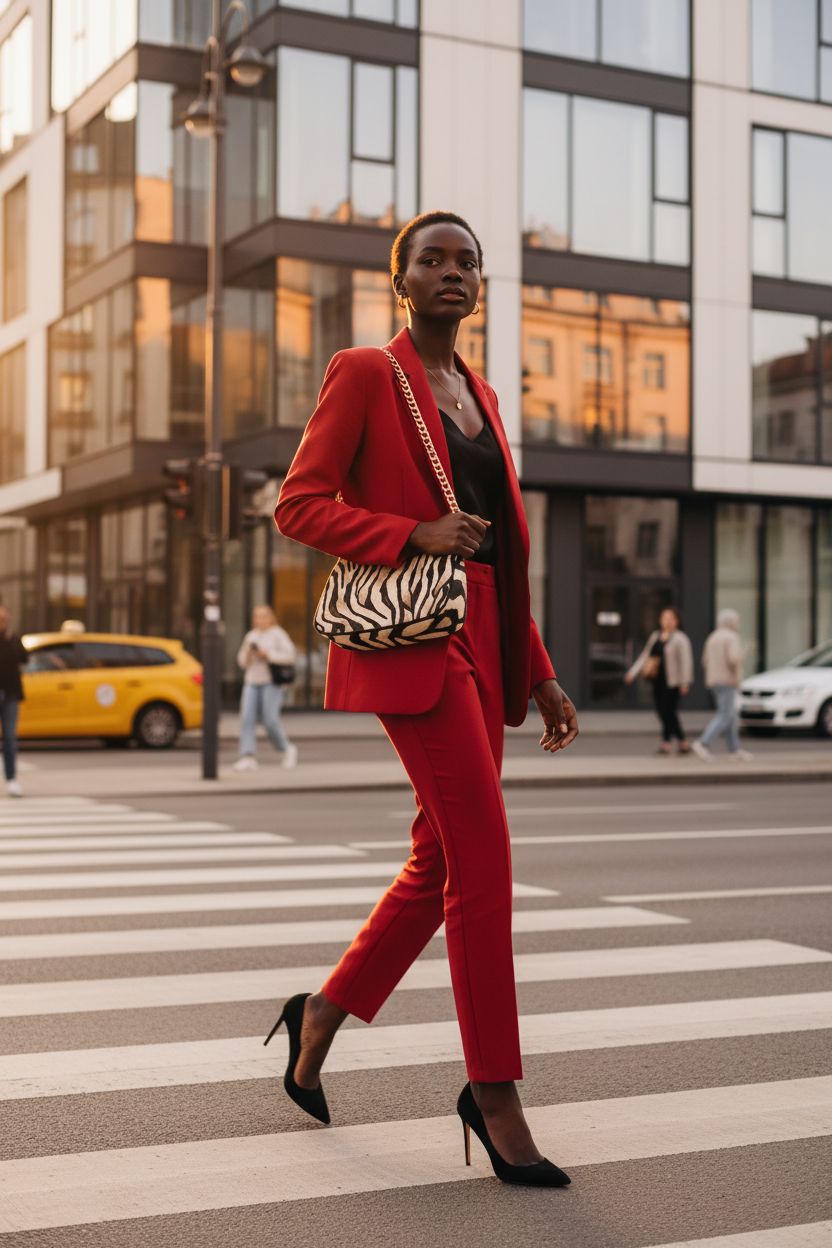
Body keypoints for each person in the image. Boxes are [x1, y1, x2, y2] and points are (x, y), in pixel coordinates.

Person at [270, 211, 578, 1188]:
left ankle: (320, 1014)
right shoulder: (367, 372)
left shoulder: (481, 393)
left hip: (486, 632)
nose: (452, 272)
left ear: (480, 284)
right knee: (482, 860)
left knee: (439, 855)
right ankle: (491, 1094)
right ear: (400, 279)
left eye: (466, 260)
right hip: (418, 633)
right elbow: (298, 504)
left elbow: (495, 547)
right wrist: (411, 532)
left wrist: (537, 668)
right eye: (432, 259)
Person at [233, 605, 298, 771]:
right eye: (257, 616)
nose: (260, 619)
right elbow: (241, 662)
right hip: (251, 682)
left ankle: (287, 748)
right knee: (247, 718)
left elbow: (290, 655)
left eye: (263, 616)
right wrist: (248, 654)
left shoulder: (277, 634)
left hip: (271, 683)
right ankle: (248, 756)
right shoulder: (251, 636)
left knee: (270, 720)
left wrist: (268, 655)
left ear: (270, 618)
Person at [625, 606, 693, 754]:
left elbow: (686, 661)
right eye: (664, 618)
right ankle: (682, 742)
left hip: (673, 682)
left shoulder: (680, 638)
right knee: (662, 712)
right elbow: (645, 656)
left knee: (669, 711)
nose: (667, 621)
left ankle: (666, 743)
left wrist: (685, 682)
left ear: (676, 621)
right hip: (657, 680)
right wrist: (632, 672)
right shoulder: (656, 636)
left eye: (670, 618)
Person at [692, 608, 752, 761]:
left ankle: (735, 749)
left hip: (713, 680)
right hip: (727, 680)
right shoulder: (732, 637)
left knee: (730, 716)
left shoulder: (713, 637)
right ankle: (703, 743)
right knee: (725, 715)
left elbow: (704, 661)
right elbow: (734, 659)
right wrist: (744, 653)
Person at [0, 605, 27, 798]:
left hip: (10, 694)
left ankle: (11, 779)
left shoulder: (14, 638)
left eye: (4, 618)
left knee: (10, 739)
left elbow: (24, 658)